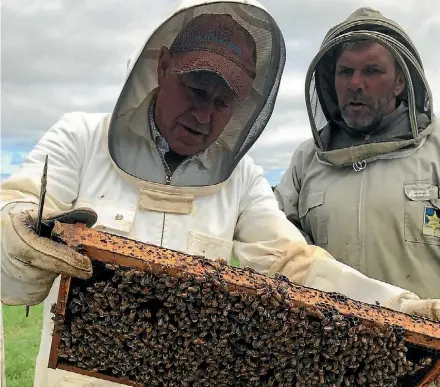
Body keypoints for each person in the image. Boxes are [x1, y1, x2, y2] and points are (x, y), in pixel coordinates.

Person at [1, 2, 438, 387]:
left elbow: (294, 263)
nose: (203, 114)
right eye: (195, 90)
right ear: (164, 66)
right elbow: (15, 206)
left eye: (222, 102)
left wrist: (400, 307)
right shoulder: (79, 139)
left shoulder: (241, 178)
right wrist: (18, 231)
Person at [275, 7, 440, 300]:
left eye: (372, 71)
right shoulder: (307, 159)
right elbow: (275, 242)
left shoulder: (435, 150)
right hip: (329, 339)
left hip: (425, 340)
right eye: (346, 71)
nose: (355, 84)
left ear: (400, 82)